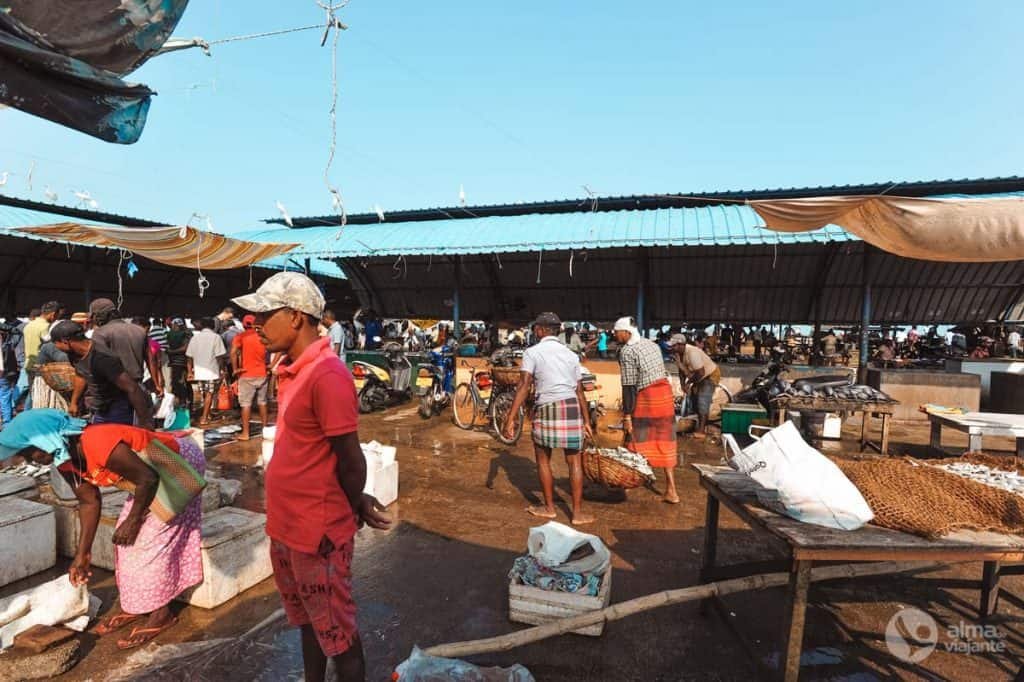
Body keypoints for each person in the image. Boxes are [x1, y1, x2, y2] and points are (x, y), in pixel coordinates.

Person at [232, 271, 391, 682]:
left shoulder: (327, 374)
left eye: (265, 316)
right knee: (308, 622)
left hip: (317, 533)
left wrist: (353, 500)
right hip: (287, 527)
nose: (256, 325)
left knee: (338, 633)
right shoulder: (291, 370)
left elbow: (350, 459)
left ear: (296, 317)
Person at [0, 409, 203, 649]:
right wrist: (82, 554)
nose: (31, 460)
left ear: (45, 439)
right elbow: (89, 501)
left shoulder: (96, 440)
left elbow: (147, 479)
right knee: (124, 541)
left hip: (178, 466)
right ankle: (139, 605)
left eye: (29, 452)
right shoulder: (65, 461)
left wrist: (135, 520)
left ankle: (162, 613)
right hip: (148, 478)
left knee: (148, 540)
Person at [503, 312, 594, 524]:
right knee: (575, 462)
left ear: (540, 330)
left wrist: (511, 417)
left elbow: (524, 385)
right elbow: (579, 391)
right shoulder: (571, 355)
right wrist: (587, 421)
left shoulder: (532, 353)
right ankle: (578, 514)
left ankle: (549, 507)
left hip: (547, 407)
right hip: (571, 406)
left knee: (543, 460)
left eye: (536, 328)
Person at [615, 318, 679, 504]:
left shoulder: (627, 351)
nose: (615, 334)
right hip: (664, 395)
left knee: (635, 438)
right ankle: (671, 490)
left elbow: (629, 386)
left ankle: (625, 485)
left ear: (626, 332)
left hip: (647, 397)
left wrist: (627, 415)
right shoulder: (652, 345)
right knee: (665, 440)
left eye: (616, 331)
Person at [51, 321, 154, 428]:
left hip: (118, 406)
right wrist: (74, 402)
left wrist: (144, 421)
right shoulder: (73, 354)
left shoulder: (102, 359)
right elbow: (81, 374)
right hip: (100, 407)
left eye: (55, 344)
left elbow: (132, 388)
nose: (56, 347)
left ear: (65, 342)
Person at [89, 299, 163, 399]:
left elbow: (97, 364)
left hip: (113, 389)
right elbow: (151, 360)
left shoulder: (100, 333)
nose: (92, 319)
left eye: (93, 316)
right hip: (137, 386)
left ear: (101, 315)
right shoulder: (139, 331)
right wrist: (156, 384)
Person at [670, 333, 721, 442]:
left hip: (709, 375)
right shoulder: (677, 354)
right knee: (693, 399)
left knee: (702, 400)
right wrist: (683, 384)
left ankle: (701, 431)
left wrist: (689, 382)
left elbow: (701, 372)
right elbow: (681, 370)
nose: (672, 348)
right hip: (697, 376)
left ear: (681, 344)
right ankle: (697, 425)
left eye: (674, 345)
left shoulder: (692, 352)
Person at [231, 315, 269, 441]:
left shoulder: (240, 337)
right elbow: (278, 349)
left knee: (246, 404)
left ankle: (246, 433)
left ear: (243, 324)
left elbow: (233, 352)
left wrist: (236, 369)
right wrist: (271, 365)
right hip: (262, 373)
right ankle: (265, 430)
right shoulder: (263, 336)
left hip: (247, 374)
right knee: (262, 402)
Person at [186, 318, 227, 426]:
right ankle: (204, 418)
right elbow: (219, 356)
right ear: (213, 326)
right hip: (212, 371)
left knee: (205, 393)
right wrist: (223, 369)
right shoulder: (216, 337)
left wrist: (190, 372)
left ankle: (207, 414)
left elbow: (189, 357)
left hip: (199, 371)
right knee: (209, 394)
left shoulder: (195, 338)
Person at [22, 301, 62, 409]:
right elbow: (50, 346)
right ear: (53, 314)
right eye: (57, 316)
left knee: (32, 394)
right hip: (41, 367)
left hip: (29, 364)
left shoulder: (28, 325)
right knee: (41, 397)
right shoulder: (46, 327)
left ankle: (27, 416)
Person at [166, 318, 192, 409]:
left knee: (180, 383)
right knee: (181, 383)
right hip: (177, 362)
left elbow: (185, 348)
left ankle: (184, 403)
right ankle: (186, 403)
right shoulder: (173, 334)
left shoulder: (186, 334)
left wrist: (172, 351)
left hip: (181, 362)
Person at [0, 325, 18, 425]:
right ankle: (7, 422)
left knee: (4, 396)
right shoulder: (8, 344)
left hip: (4, 374)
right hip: (5, 374)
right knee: (5, 397)